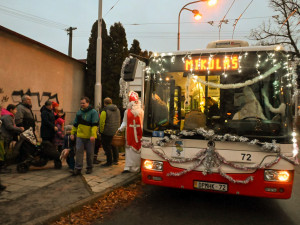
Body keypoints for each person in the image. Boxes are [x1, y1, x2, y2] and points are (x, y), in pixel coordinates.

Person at [71, 97, 99, 175]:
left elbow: (94, 125)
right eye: (81, 103)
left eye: (83, 103)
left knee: (90, 153)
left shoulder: (93, 112)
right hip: (80, 136)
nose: (82, 105)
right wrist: (72, 133)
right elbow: (75, 124)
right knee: (79, 152)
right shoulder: (79, 112)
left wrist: (93, 135)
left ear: (88, 103)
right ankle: (78, 168)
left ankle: (89, 167)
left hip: (90, 137)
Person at [118, 91, 144, 173]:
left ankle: (137, 167)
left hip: (139, 133)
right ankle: (128, 167)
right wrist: (120, 129)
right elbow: (125, 122)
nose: (135, 104)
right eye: (134, 102)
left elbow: (143, 122)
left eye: (136, 102)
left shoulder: (141, 112)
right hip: (129, 133)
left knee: (138, 150)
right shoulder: (127, 112)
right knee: (129, 151)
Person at [0, 104, 24, 172]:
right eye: (15, 109)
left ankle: (3, 167)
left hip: (5, 137)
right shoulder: (7, 116)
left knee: (3, 152)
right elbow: (9, 127)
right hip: (4, 137)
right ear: (11, 110)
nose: (16, 111)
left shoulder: (7, 116)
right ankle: (2, 168)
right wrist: (19, 129)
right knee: (3, 153)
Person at [40, 101, 62, 169]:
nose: (52, 107)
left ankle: (50, 157)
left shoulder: (51, 111)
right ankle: (44, 158)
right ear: (47, 106)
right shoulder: (44, 112)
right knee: (46, 145)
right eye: (50, 106)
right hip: (46, 132)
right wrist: (53, 126)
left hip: (51, 132)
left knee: (51, 146)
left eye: (52, 106)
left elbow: (53, 118)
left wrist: (57, 116)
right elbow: (46, 121)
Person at [99, 97, 121, 167]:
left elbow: (102, 122)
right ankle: (116, 159)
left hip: (107, 131)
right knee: (114, 145)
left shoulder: (104, 110)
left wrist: (101, 131)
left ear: (104, 103)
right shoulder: (117, 109)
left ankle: (109, 162)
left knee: (106, 146)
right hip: (115, 130)